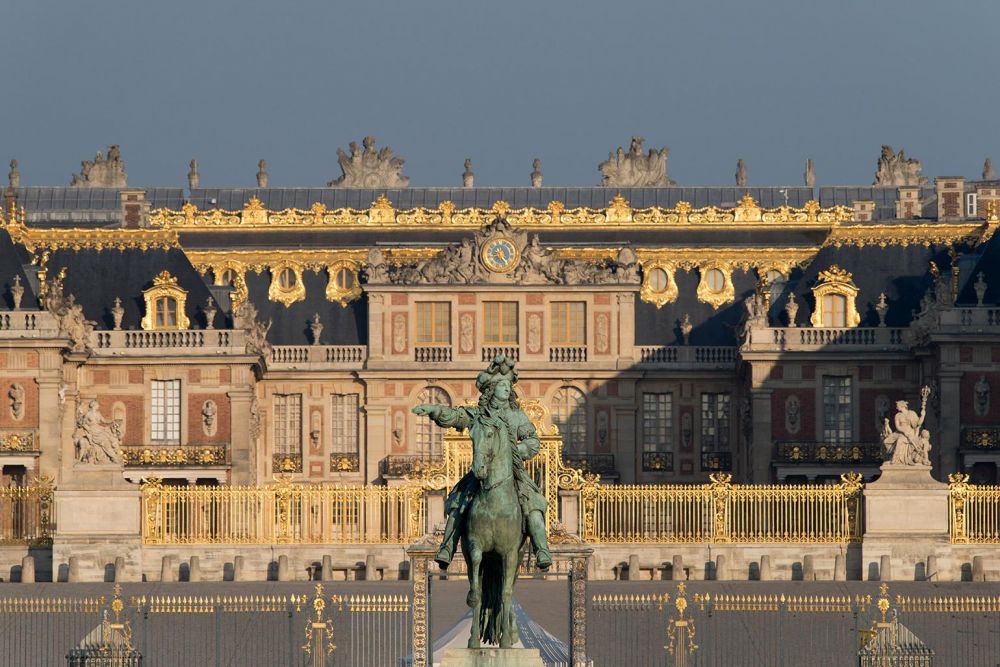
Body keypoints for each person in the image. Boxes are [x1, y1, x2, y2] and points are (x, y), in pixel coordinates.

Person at [412, 355, 552, 570]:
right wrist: (435, 410)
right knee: (458, 504)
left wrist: (516, 452)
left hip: (511, 473)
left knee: (533, 506)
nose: (507, 389)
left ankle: (542, 549)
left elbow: (533, 442)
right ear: (491, 389)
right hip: (481, 471)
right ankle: (447, 547)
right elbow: (456, 416)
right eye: (502, 385)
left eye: (508, 385)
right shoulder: (479, 414)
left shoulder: (517, 416)